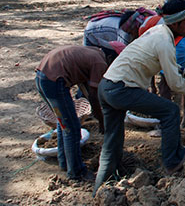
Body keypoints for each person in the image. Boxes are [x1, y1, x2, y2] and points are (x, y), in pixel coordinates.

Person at [93, 0, 185, 196]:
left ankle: (101, 189)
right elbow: (175, 84)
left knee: (112, 139)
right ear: (175, 23)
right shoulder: (165, 41)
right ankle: (172, 161)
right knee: (170, 111)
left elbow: (162, 62)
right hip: (122, 89)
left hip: (106, 86)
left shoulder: (157, 32)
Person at [35, 44, 122, 182]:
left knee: (63, 122)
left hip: (42, 77)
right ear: (111, 57)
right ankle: (77, 172)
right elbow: (93, 96)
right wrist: (101, 121)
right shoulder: (100, 62)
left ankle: (64, 162)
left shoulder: (94, 52)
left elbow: (85, 87)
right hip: (54, 82)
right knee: (72, 128)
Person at [138, 13, 185, 131]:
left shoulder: (144, 28)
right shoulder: (175, 20)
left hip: (179, 47)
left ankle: (167, 122)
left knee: (164, 85)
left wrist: (152, 87)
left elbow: (149, 57)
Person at [83, 8, 156, 49]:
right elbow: (124, 53)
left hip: (106, 29)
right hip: (92, 32)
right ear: (133, 30)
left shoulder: (139, 23)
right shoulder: (124, 32)